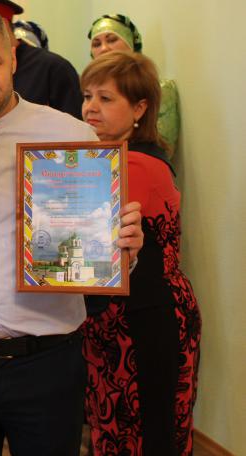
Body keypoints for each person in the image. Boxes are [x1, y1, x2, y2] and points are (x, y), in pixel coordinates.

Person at [0, 6, 144, 456]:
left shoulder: (71, 137)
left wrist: (124, 249)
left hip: (47, 363)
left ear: (13, 59)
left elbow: (99, 251)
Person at [79, 51, 201, 455]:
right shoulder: (117, 156)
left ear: (140, 108)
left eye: (106, 98)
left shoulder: (134, 164)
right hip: (124, 317)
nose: (90, 107)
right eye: (87, 96)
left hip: (145, 320)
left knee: (143, 436)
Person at [88, 13, 181, 156]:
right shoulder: (88, 88)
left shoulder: (163, 89)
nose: (104, 48)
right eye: (96, 44)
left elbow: (165, 148)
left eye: (112, 40)